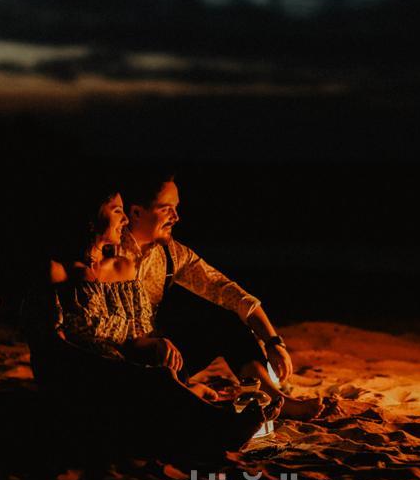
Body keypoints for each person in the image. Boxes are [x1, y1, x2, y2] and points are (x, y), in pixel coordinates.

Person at [29, 188, 269, 453]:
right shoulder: (56, 272)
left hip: (125, 368)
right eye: (117, 211)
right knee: (151, 381)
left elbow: (136, 336)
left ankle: (209, 404)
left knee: (162, 369)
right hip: (83, 374)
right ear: (91, 217)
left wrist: (154, 344)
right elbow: (49, 346)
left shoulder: (124, 268)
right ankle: (217, 424)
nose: (124, 221)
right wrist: (105, 365)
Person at [121, 175, 324, 420]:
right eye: (166, 209)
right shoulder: (106, 250)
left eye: (176, 208)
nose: (176, 217)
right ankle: (181, 397)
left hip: (160, 358)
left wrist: (272, 341)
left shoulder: (171, 253)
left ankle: (273, 397)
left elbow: (226, 290)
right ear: (136, 212)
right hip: (118, 362)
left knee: (222, 320)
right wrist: (147, 343)